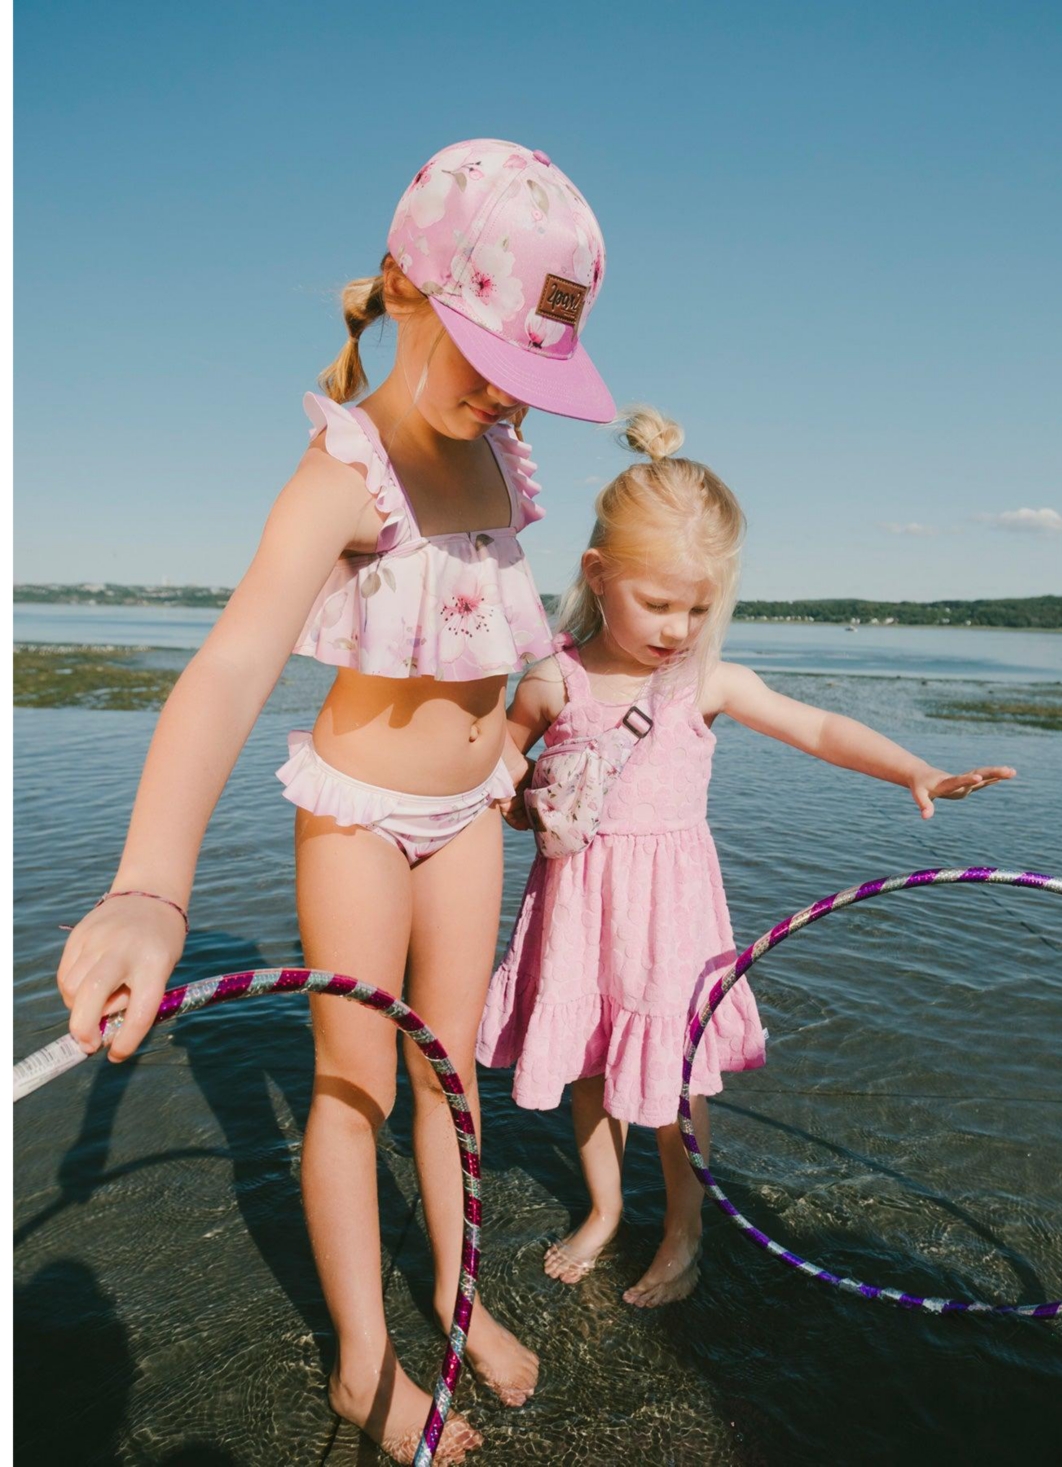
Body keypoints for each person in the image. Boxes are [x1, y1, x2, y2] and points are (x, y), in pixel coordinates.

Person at [56, 138, 615, 1464]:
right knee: (356, 1079)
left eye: (525, 374)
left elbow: (482, 650)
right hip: (360, 810)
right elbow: (230, 666)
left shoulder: (506, 463)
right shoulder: (344, 473)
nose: (503, 394)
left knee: (452, 1080)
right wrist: (149, 887)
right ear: (405, 293)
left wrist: (529, 764)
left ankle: (454, 1293)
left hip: (474, 810)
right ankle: (365, 1361)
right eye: (487, 358)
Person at [477, 408, 1016, 1309]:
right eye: (659, 602)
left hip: (673, 917)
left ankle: (683, 1233)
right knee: (590, 1070)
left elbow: (815, 724)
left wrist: (912, 767)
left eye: (699, 606)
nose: (680, 626)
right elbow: (500, 743)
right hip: (579, 911)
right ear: (596, 575)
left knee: (676, 1082)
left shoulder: (704, 682)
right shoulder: (552, 677)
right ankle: (606, 1210)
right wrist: (500, 776)